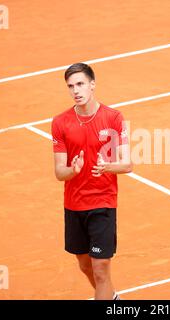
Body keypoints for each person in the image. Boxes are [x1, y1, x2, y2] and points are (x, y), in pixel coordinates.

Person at [51, 63, 132, 300]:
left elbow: (127, 164)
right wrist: (73, 170)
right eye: (71, 86)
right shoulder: (60, 123)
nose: (76, 90)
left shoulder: (114, 118)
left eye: (80, 84)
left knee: (100, 268)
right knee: (86, 266)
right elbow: (59, 172)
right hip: (74, 205)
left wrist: (108, 167)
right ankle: (111, 297)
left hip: (103, 203)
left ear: (92, 84)